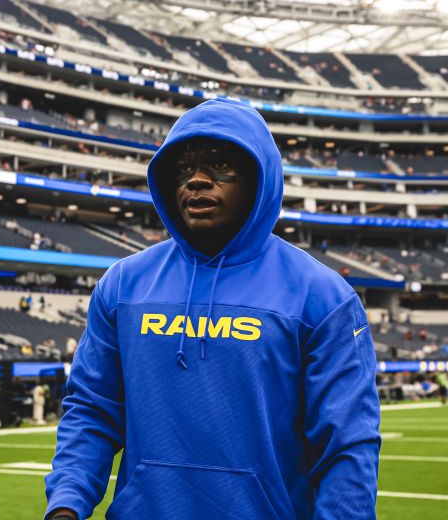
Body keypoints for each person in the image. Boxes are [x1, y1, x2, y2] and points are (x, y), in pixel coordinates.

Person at [44, 98, 381, 520]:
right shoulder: (124, 285)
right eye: (183, 169)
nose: (197, 181)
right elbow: (92, 409)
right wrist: (66, 504)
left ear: (260, 178)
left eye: (220, 164)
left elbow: (346, 446)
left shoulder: (322, 297)